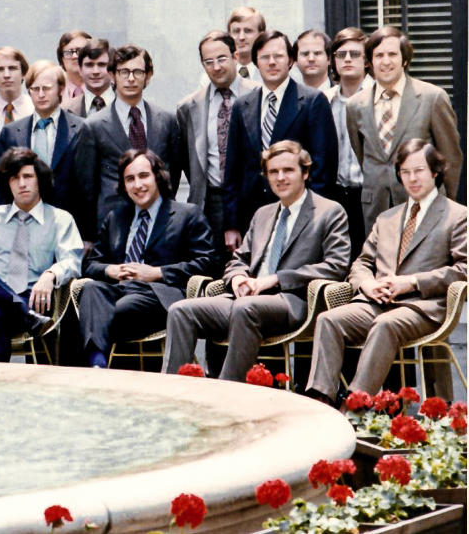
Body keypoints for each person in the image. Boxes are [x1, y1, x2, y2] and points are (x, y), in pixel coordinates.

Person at [162, 140, 350, 381]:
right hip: (247, 297)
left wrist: (274, 280)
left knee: (245, 308)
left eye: (288, 170)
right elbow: (239, 259)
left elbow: (336, 265)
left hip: (293, 301)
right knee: (181, 310)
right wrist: (238, 277)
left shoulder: (330, 211)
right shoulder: (263, 213)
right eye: (273, 172)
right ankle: (174, 390)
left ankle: (228, 393)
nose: (280, 177)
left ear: (305, 173)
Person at [306, 140, 467, 403]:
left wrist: (412, 282)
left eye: (419, 170)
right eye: (405, 172)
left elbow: (464, 270)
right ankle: (320, 402)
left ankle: (356, 406)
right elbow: (361, 264)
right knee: (329, 320)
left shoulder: (457, 215)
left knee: (385, 325)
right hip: (376, 301)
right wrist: (367, 285)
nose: (412, 178)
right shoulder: (387, 218)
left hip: (422, 308)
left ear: (435, 172)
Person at [77, 149, 216, 368]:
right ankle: (98, 364)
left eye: (144, 176)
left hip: (160, 294)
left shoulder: (187, 214)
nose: (137, 185)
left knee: (115, 309)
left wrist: (157, 273)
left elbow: (207, 262)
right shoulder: (116, 218)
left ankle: (100, 359)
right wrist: (110, 270)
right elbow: (90, 264)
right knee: (91, 290)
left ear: (158, 177)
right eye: (129, 179)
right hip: (120, 288)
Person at [0, 148, 83, 362]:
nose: (21, 184)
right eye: (14, 178)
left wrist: (50, 275)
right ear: (7, 183)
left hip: (32, 301)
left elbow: (72, 261)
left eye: (28, 176)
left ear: (40, 179)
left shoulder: (60, 219)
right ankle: (18, 309)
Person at [222, 30, 337, 253]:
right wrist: (232, 224)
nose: (272, 62)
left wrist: (314, 220)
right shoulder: (242, 105)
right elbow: (232, 170)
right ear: (255, 62)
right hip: (252, 215)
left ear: (291, 61)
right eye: (265, 57)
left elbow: (323, 170)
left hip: (300, 214)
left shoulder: (312, 101)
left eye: (279, 56)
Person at [345, 26, 462, 234]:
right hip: (376, 207)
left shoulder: (432, 97)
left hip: (425, 205)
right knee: (382, 264)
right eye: (379, 55)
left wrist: (446, 202)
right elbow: (362, 153)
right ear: (370, 61)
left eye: (392, 54)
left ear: (405, 59)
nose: (386, 61)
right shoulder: (355, 105)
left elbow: (451, 157)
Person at [76, 44, 180, 224]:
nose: (131, 78)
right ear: (112, 76)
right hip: (113, 221)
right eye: (124, 72)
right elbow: (87, 187)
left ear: (148, 76)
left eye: (138, 72)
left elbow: (174, 172)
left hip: (161, 221)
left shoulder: (167, 120)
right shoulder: (93, 126)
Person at [176, 31, 257, 259]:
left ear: (236, 56)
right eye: (208, 62)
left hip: (252, 199)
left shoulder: (258, 96)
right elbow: (185, 159)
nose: (216, 67)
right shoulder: (189, 107)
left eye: (221, 59)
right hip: (208, 202)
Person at [0, 60, 87, 229]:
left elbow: (88, 185)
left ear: (60, 89)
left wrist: (88, 235)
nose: (41, 94)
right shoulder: (11, 132)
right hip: (22, 223)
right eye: (35, 89)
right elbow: (2, 187)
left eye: (46, 88)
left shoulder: (81, 129)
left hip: (69, 224)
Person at [324, 27, 373, 259]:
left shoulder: (378, 96)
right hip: (335, 194)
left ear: (366, 61)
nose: (347, 59)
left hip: (369, 193)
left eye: (355, 54)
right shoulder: (325, 100)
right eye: (341, 54)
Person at [0, 46, 33, 128]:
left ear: (23, 73)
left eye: (12, 68)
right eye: (0, 69)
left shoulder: (36, 110)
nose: (6, 75)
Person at [64, 38, 114, 117]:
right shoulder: (66, 112)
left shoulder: (128, 105)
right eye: (89, 65)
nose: (95, 71)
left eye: (101, 65)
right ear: (80, 70)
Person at [226, 6, 265, 83]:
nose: (241, 37)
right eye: (236, 31)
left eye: (248, 31)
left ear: (261, 36)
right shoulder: (216, 73)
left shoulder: (272, 72)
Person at [56, 30, 91, 103]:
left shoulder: (109, 88)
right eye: (68, 53)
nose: (74, 56)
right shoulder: (52, 93)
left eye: (80, 51)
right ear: (62, 59)